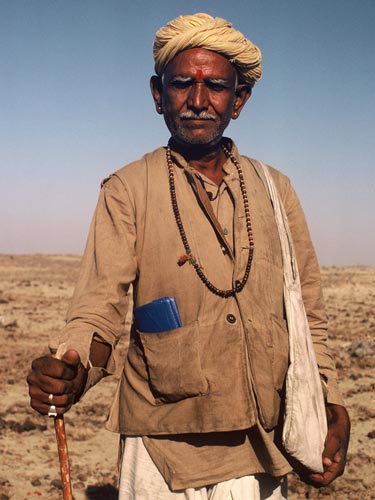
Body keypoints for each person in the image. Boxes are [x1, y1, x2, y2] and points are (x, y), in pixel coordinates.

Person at [27, 13, 350, 500]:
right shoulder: (128, 190)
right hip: (161, 450)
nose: (198, 101)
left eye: (216, 86)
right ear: (159, 95)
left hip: (259, 448)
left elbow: (309, 317)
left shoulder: (276, 191)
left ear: (238, 100)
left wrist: (327, 401)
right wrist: (73, 368)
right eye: (182, 84)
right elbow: (97, 310)